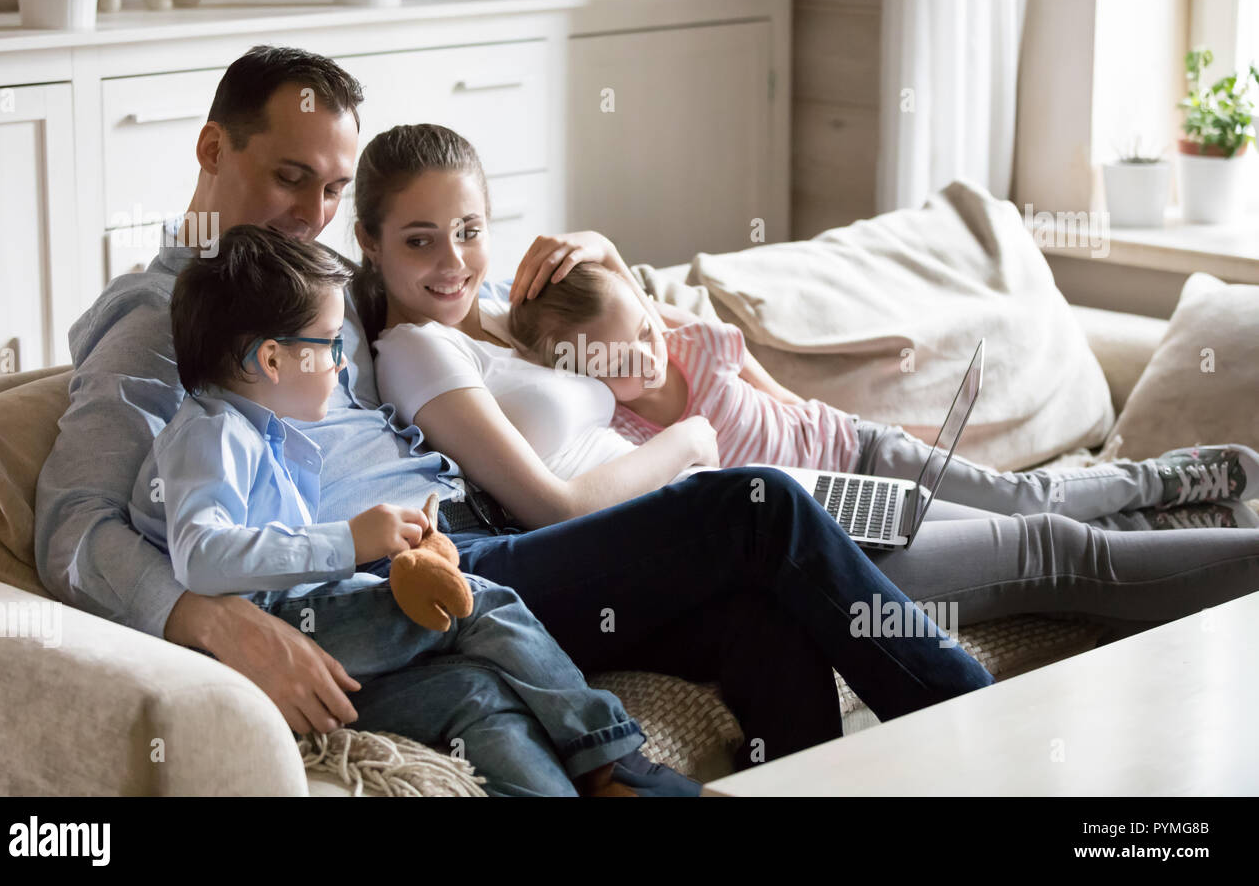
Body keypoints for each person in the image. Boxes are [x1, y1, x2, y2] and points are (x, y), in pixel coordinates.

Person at [35, 46, 995, 776]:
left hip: (495, 556)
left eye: (333, 190)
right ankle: (992, 738)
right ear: (213, 149)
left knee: (761, 622)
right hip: (414, 583)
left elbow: (457, 287)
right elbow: (72, 527)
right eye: (291, 177)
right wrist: (213, 618)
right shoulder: (156, 320)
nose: (312, 212)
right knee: (757, 506)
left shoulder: (328, 282)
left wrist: (601, 255)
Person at [355, 121, 1259, 648]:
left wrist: (603, 249)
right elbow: (555, 505)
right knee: (1053, 554)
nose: (452, 261)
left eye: (467, 230)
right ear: (370, 242)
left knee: (1043, 522)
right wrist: (697, 441)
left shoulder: (511, 312)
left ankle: (1201, 515)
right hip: (749, 538)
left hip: (795, 494)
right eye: (419, 240)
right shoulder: (414, 354)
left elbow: (631, 327)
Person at [123, 223, 682, 796]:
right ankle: (609, 751)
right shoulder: (211, 435)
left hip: (316, 646)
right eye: (330, 345)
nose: (343, 366)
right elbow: (201, 555)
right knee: (476, 601)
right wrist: (351, 541)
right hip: (275, 635)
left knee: (475, 693)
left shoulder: (267, 436)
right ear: (271, 358)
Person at [505, 258, 1259, 526]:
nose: (646, 351)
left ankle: (1168, 479)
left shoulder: (688, 341)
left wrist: (818, 412)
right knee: (1024, 531)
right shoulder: (626, 437)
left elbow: (776, 394)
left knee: (1026, 501)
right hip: (837, 508)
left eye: (644, 327)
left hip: (861, 448)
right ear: (579, 370)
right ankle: (1186, 520)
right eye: (619, 355)